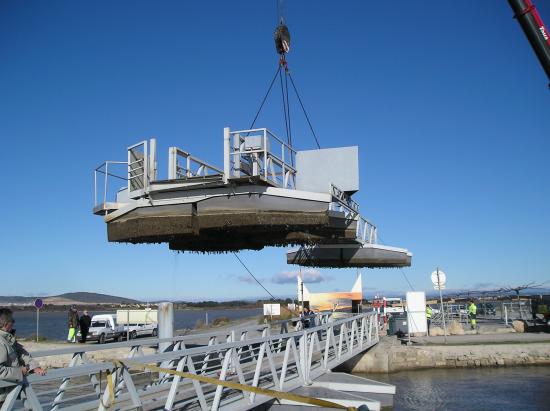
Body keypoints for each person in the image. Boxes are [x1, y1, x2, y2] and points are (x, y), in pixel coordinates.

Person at [0, 308, 46, 405]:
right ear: (6, 323)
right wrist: (19, 371)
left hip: (7, 392)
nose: (14, 322)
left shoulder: (8, 338)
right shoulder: (1, 342)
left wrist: (34, 367)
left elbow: (22, 353)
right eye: (12, 320)